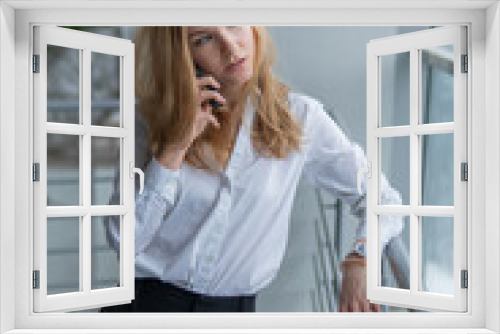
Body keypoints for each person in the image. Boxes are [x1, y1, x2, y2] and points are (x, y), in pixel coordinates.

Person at [100, 26, 403, 313]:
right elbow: (124, 241)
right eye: (203, 39)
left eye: (234, 23)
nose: (231, 48)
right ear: (183, 56)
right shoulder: (150, 119)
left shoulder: (300, 117)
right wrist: (175, 147)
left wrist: (360, 259)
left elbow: (383, 199)